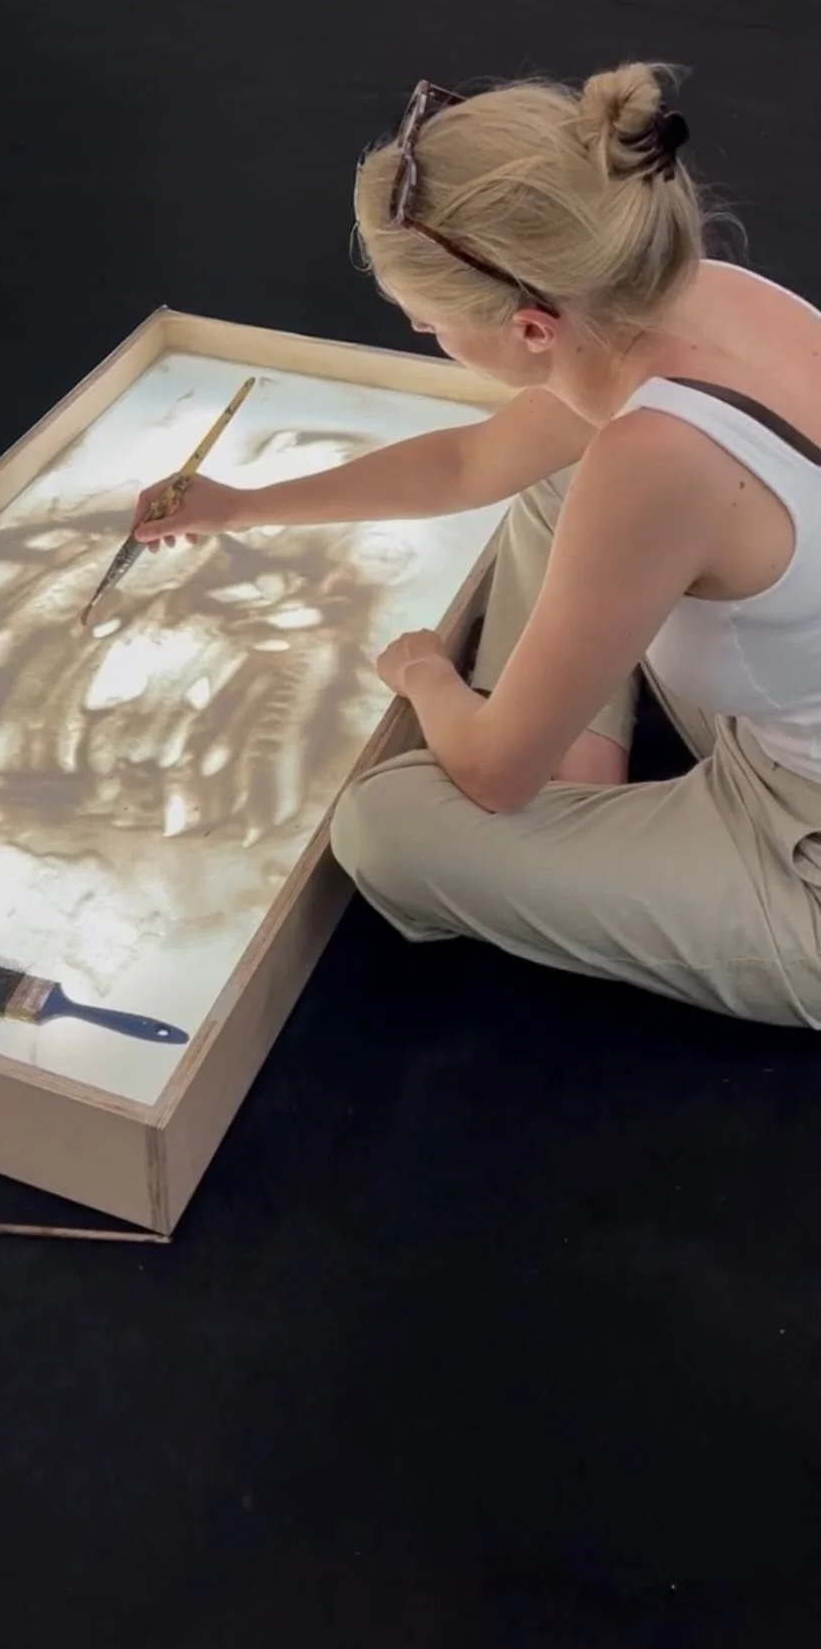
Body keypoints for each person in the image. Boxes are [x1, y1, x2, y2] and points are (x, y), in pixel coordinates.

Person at [131, 65, 821, 1025]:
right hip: (782, 710)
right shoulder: (691, 291)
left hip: (803, 847)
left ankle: (567, 779)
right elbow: (468, 465)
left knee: (385, 826)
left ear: (532, 328)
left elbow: (493, 775)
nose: (421, 329)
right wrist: (241, 505)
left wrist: (424, 674)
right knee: (555, 471)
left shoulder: (657, 456)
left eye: (429, 323)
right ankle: (579, 770)